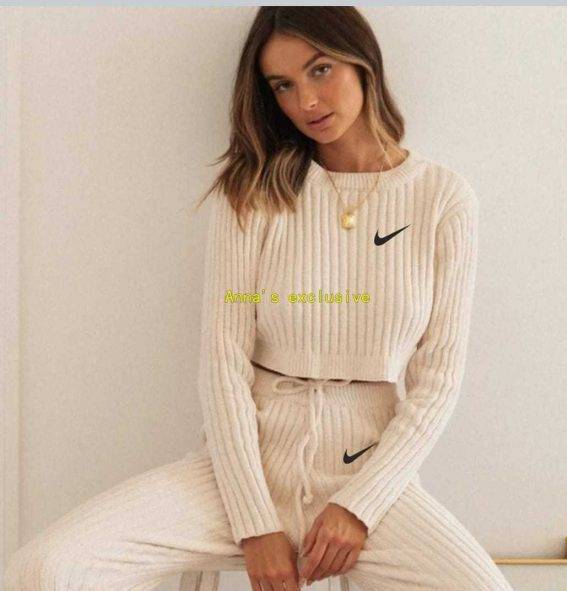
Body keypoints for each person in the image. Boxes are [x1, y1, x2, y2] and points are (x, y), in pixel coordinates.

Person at [3, 7, 515, 591]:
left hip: (370, 478)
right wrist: (255, 522)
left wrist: (359, 507)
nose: (306, 101)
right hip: (241, 471)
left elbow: (438, 381)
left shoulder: (443, 198)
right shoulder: (254, 192)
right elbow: (223, 362)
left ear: (363, 62)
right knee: (42, 570)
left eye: (320, 70)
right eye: (283, 85)